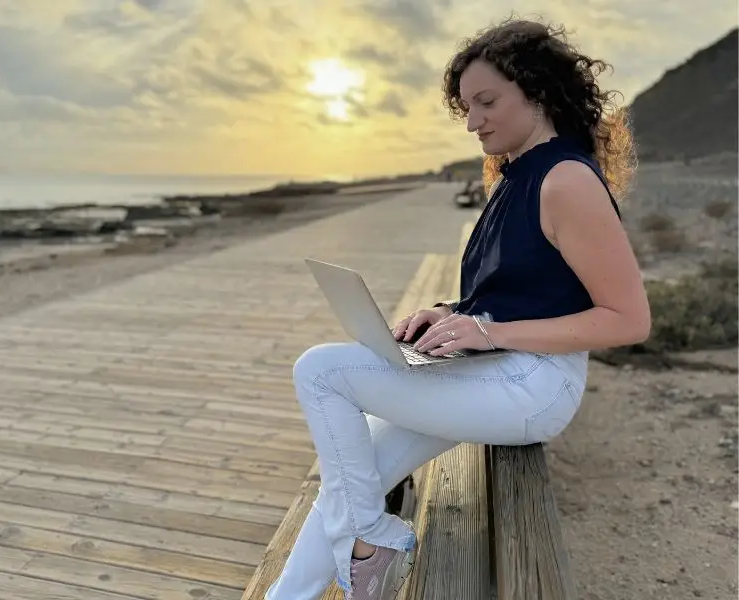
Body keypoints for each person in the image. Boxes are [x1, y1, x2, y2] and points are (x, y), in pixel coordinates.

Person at [265, 17, 651, 600]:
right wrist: (449, 313)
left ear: (538, 91)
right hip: (495, 369)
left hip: (534, 384)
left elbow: (628, 320)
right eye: (466, 107)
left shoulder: (565, 179)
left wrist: (490, 334)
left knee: (321, 370)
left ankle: (373, 539)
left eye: (487, 102)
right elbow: (516, 287)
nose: (472, 121)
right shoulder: (515, 177)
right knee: (352, 473)